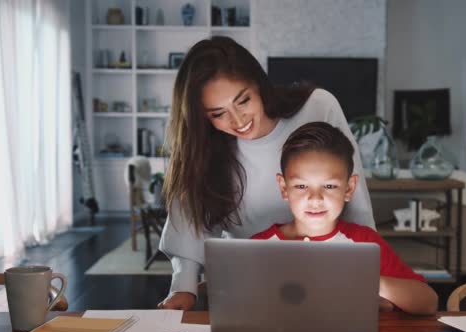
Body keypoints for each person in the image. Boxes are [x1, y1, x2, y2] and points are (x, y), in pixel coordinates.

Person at [157, 36, 375, 310]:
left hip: (329, 276)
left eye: (243, 100)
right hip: (248, 286)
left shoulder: (319, 107)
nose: (238, 121)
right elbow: (189, 222)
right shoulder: (205, 149)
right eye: (218, 114)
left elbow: (356, 204)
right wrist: (184, 288)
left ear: (259, 83)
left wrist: (370, 277)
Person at [251, 122, 438, 315]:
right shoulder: (258, 247)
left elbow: (428, 302)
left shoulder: (364, 242)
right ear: (284, 188)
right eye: (301, 186)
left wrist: (369, 281)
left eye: (330, 186)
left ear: (348, 188)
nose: (315, 199)